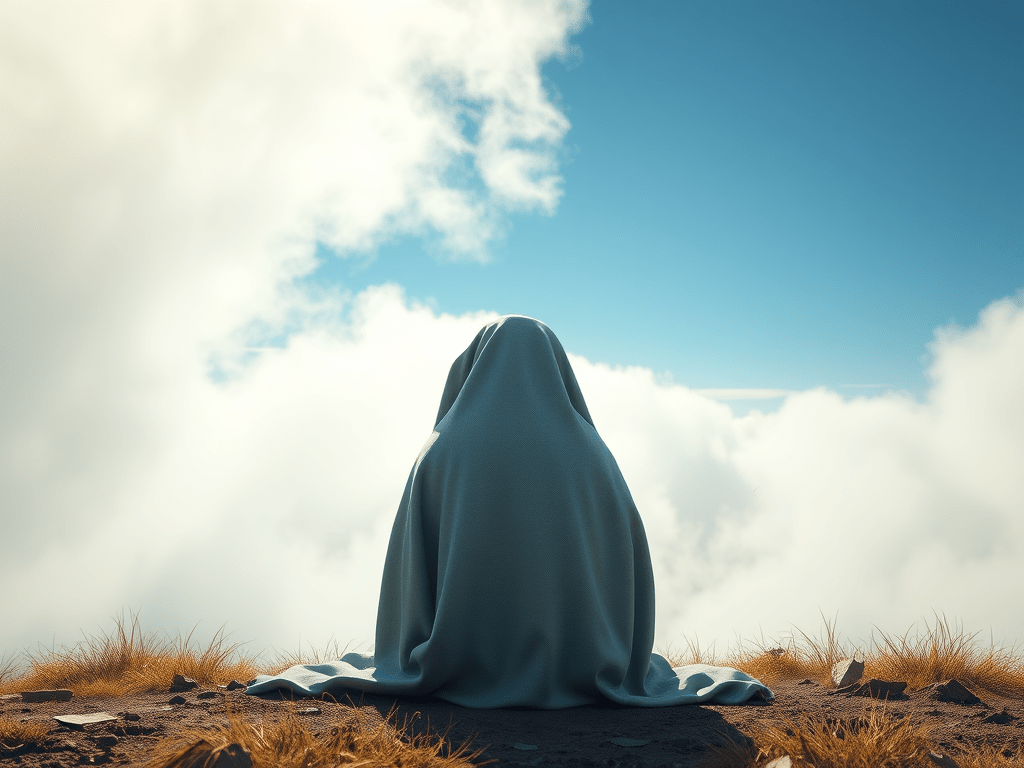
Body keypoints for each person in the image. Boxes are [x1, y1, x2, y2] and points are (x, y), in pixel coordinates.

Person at [246, 316, 772, 708]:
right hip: (588, 666)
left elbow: (412, 569)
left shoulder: (441, 453)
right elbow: (626, 558)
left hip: (452, 664)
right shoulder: (592, 455)